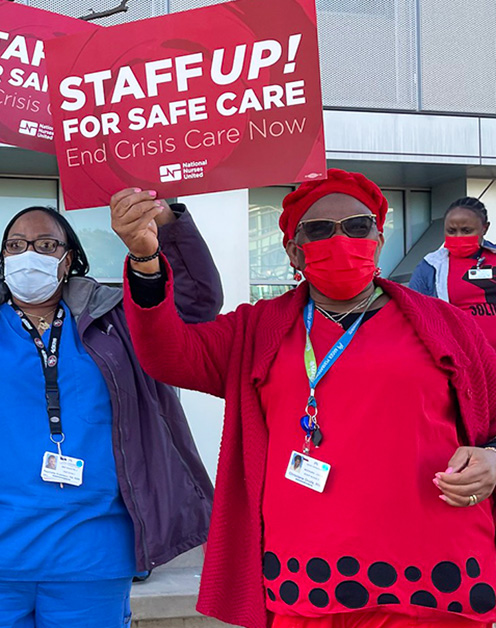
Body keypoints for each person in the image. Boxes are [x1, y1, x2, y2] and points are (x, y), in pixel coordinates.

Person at [121, 169, 496, 628]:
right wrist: (146, 260)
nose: (341, 238)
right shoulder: (255, 330)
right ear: (294, 250)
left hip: (433, 573)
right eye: (319, 230)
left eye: (358, 226)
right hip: (308, 579)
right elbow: (169, 355)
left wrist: (493, 458)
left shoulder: (447, 324)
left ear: (378, 239)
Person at [0, 198, 221, 628]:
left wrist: (161, 228)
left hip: (92, 559)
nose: (27, 255)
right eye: (15, 245)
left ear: (69, 258)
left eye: (44, 244)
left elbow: (193, 305)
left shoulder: (115, 320)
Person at [410, 197, 496, 345]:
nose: (458, 237)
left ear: (485, 228)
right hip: (462, 357)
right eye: (451, 231)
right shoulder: (430, 266)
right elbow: (413, 312)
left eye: (466, 231)